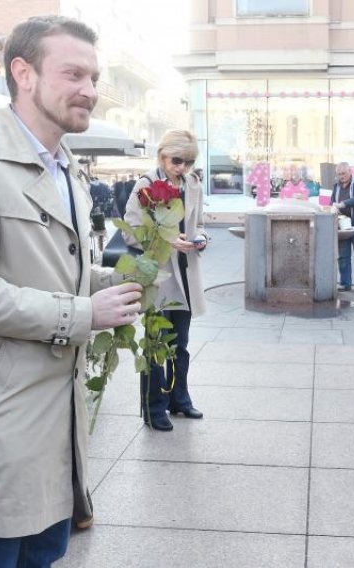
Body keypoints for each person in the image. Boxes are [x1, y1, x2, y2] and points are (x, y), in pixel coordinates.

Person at [0, 16, 143, 566]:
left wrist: (121, 284)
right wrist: (84, 312)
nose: (90, 90)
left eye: (94, 76)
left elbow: (54, 273)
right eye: (73, 73)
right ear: (23, 72)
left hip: (55, 436)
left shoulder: (69, 170)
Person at [124, 130, 209, 432]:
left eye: (188, 161)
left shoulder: (193, 184)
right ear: (162, 155)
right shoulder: (146, 185)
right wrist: (169, 239)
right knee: (156, 343)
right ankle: (154, 406)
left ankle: (180, 399)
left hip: (186, 272)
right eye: (177, 160)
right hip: (158, 275)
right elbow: (129, 231)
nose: (182, 167)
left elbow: (198, 223)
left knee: (181, 343)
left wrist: (201, 238)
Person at [331, 162, 354, 292]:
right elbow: (332, 202)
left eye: (343, 173)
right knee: (343, 256)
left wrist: (342, 204)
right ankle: (345, 283)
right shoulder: (336, 186)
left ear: (350, 171)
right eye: (339, 174)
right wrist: (333, 207)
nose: (341, 176)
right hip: (342, 225)